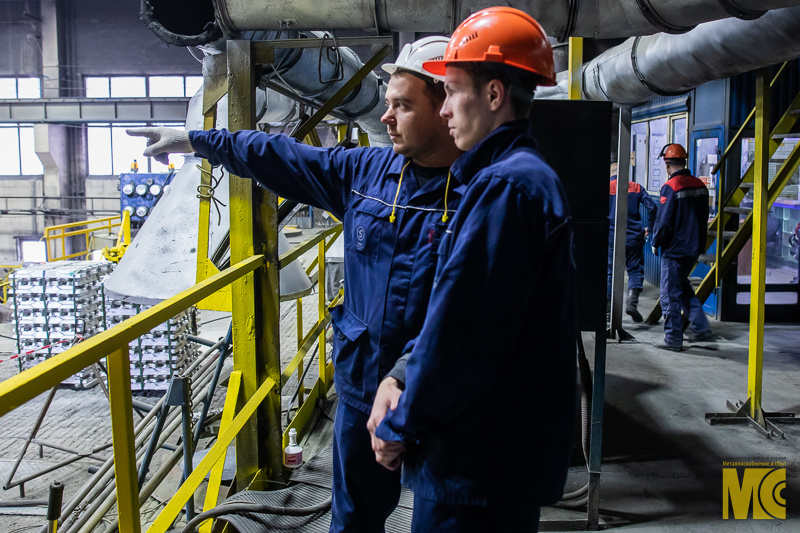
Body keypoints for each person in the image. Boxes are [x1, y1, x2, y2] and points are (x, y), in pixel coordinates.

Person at [128, 36, 462, 533]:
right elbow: (277, 153)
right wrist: (197, 142)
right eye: (387, 104)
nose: (387, 117)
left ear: (447, 107)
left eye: (403, 106)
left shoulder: (487, 193)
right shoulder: (366, 173)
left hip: (443, 396)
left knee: (444, 521)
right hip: (363, 387)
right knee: (353, 519)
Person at [369, 8, 577, 531]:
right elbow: (454, 308)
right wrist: (400, 372)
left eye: (454, 90)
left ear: (493, 95)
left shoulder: (505, 188)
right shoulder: (510, 179)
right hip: (488, 462)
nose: (443, 112)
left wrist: (399, 422)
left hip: (475, 469)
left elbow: (466, 338)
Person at [651, 143, 714, 351]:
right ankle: (702, 327)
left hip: (675, 249)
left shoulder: (671, 187)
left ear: (667, 164)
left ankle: (673, 339)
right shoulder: (699, 185)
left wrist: (655, 242)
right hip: (694, 247)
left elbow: (663, 221)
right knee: (684, 288)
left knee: (670, 294)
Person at [608, 160, 658, 322]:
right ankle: (632, 302)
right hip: (633, 237)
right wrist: (649, 228)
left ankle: (608, 311)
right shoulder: (635, 187)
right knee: (635, 269)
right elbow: (652, 207)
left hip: (610, 237)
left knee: (609, 271)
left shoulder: (606, 187)